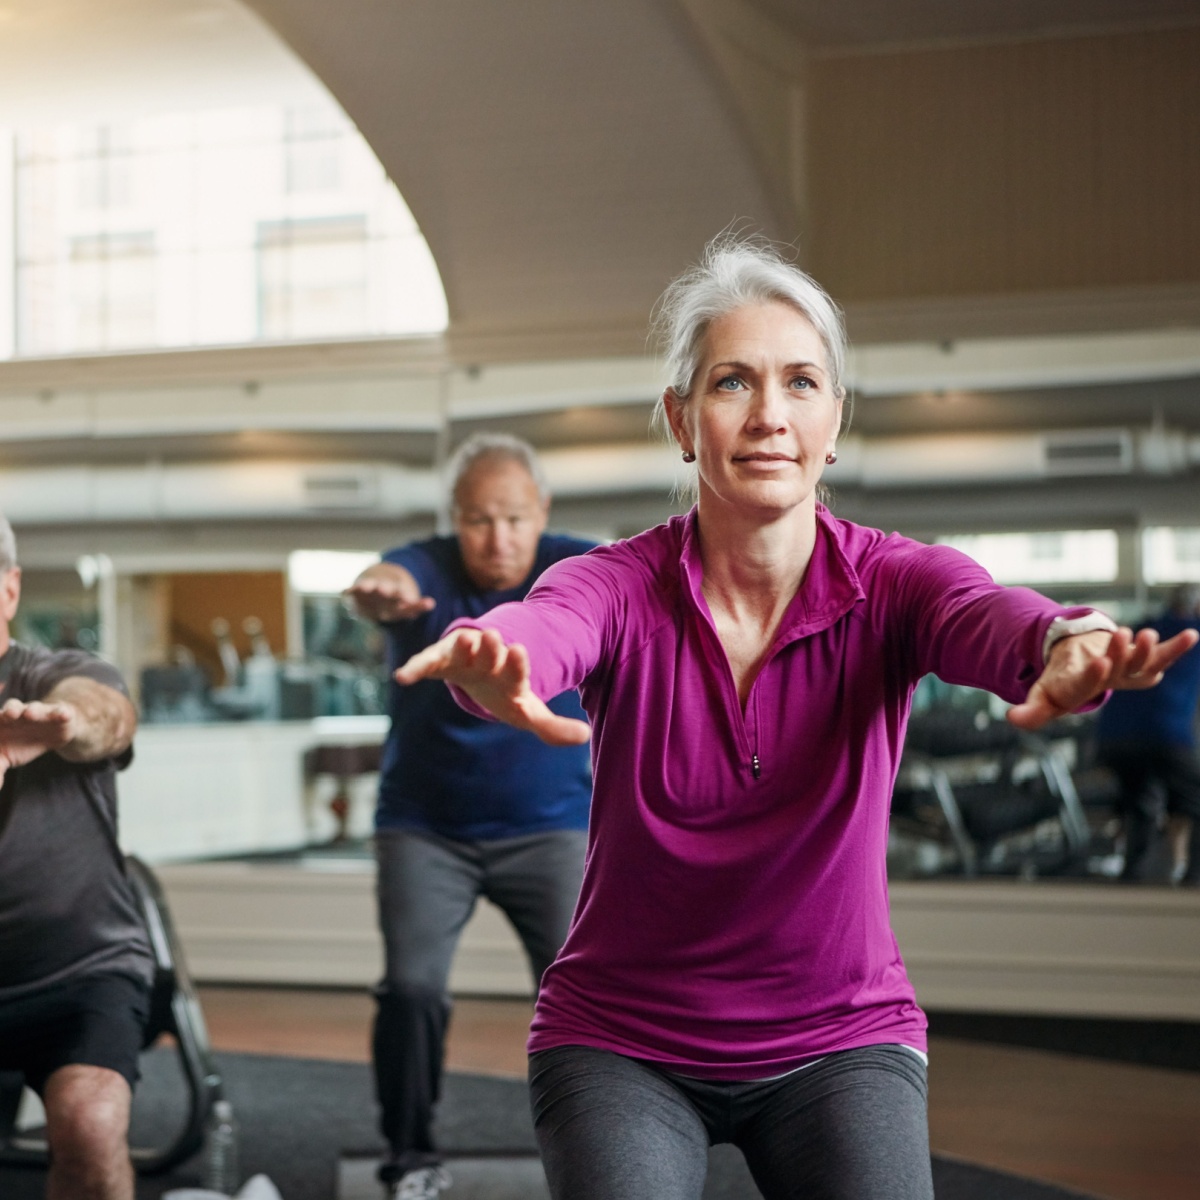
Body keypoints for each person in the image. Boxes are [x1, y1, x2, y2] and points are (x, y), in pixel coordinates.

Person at [393, 238, 1199, 1200]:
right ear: (682, 420)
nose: (770, 416)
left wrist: (1067, 641)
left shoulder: (896, 582)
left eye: (801, 383)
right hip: (622, 1040)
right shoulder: (614, 582)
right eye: (733, 382)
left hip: (840, 1038)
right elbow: (549, 624)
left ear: (834, 421)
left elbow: (988, 613)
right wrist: (501, 658)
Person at [346, 433, 595, 1200]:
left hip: (551, 827)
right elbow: (387, 579)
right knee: (413, 989)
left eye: (515, 518)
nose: (499, 538)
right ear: (456, 519)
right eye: (479, 521)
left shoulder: (576, 565)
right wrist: (374, 592)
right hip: (427, 831)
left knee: (586, 994)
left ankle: (595, 1153)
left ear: (541, 510)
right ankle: (411, 1156)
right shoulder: (424, 567)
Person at [0, 515, 152, 1200]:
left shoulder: (55, 674)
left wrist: (65, 724)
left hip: (78, 968)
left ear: (8, 592)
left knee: (89, 1126)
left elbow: (105, 711)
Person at [1096, 583, 1200, 883]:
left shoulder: (1144, 627)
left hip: (1113, 736)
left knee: (1140, 804)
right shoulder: (1193, 632)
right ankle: (1194, 882)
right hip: (1163, 735)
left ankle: (1134, 878)